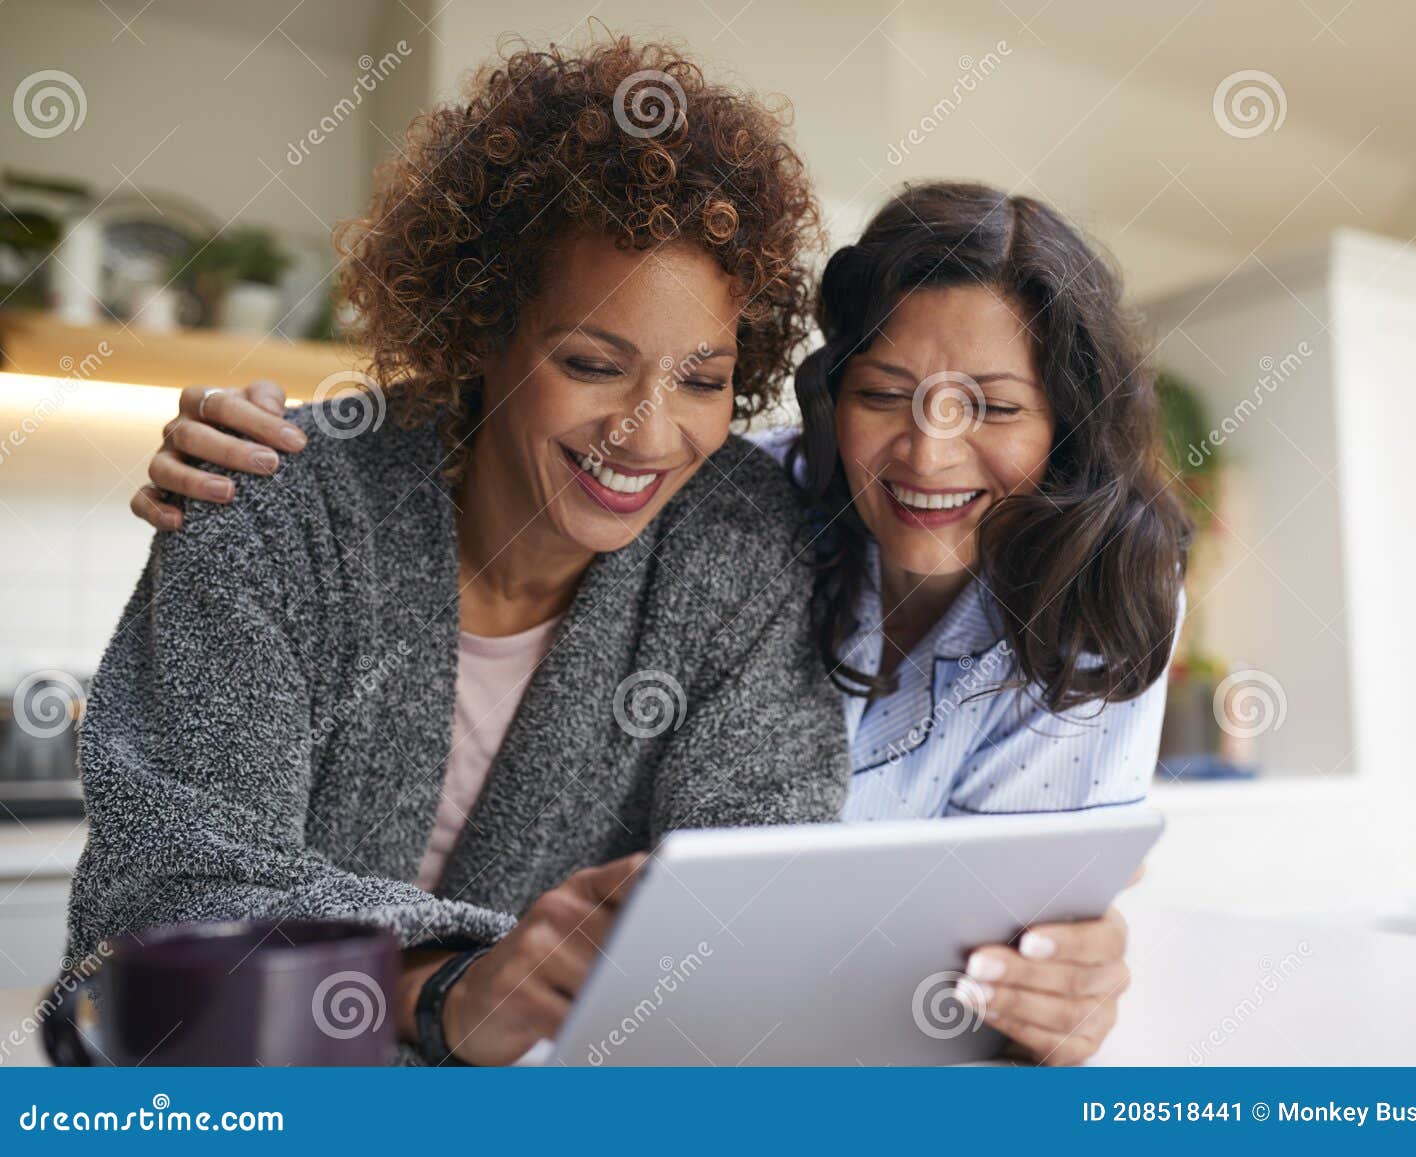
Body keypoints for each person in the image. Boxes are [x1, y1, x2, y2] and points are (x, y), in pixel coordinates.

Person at [120, 73, 1184, 1067]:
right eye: (589, 362)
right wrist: (439, 984)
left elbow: (736, 925)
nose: (645, 433)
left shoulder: (735, 537)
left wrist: (1050, 990)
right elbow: (165, 904)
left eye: (704, 378)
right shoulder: (274, 509)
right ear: (478, 325)